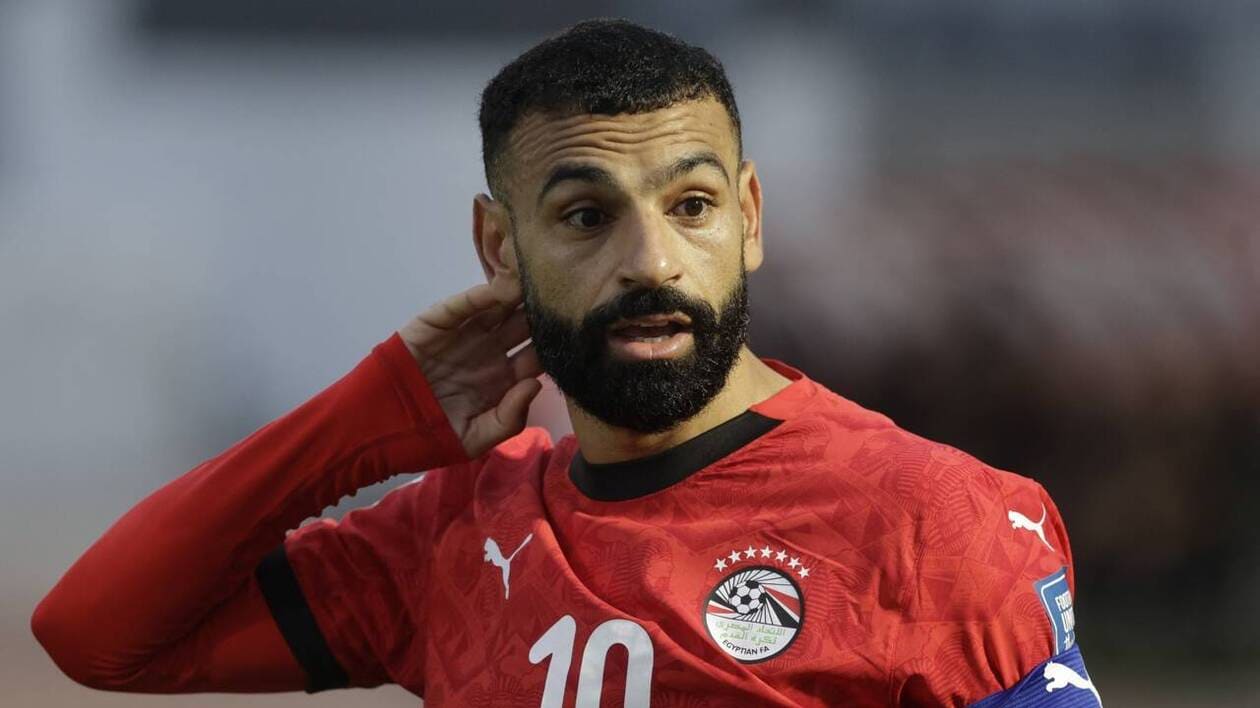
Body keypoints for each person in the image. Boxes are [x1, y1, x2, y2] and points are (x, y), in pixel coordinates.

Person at [31, 19, 1101, 707]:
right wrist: (365, 420)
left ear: (750, 217)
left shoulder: (938, 521)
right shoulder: (450, 536)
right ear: (500, 248)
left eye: (692, 205)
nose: (651, 262)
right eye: (587, 216)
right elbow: (99, 636)